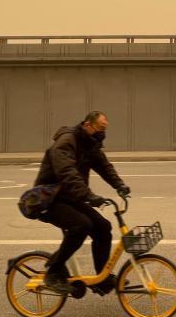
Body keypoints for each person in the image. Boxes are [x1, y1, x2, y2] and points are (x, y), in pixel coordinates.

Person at [34, 111, 131, 295]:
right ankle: (53, 271)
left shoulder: (90, 144)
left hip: (71, 197)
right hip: (49, 199)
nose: (103, 132)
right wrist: (89, 195)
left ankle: (102, 278)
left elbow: (104, 166)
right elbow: (67, 172)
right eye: (100, 128)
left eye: (105, 129)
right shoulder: (67, 140)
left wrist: (119, 185)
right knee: (81, 226)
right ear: (87, 125)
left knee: (103, 227)